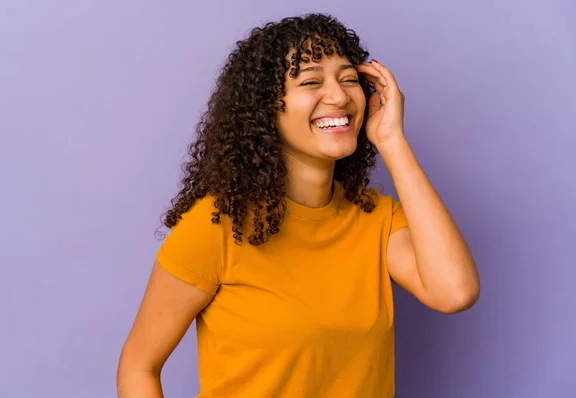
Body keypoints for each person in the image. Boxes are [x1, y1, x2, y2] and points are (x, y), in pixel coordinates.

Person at [117, 13, 480, 398]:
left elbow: (455, 292)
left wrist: (392, 141)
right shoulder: (218, 225)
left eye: (348, 78)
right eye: (310, 81)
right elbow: (139, 366)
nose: (339, 96)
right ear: (265, 108)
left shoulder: (377, 220)